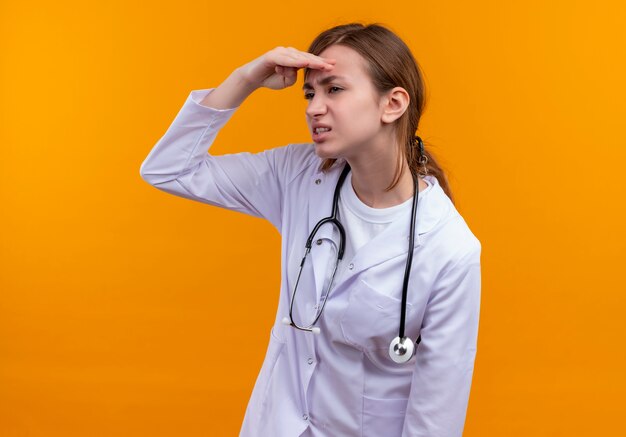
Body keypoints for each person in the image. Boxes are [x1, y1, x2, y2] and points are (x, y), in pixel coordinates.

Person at [140, 22, 481, 437]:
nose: (313, 107)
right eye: (309, 92)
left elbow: (435, 421)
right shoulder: (299, 176)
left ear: (392, 104)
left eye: (334, 90)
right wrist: (245, 79)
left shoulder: (449, 248)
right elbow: (169, 169)